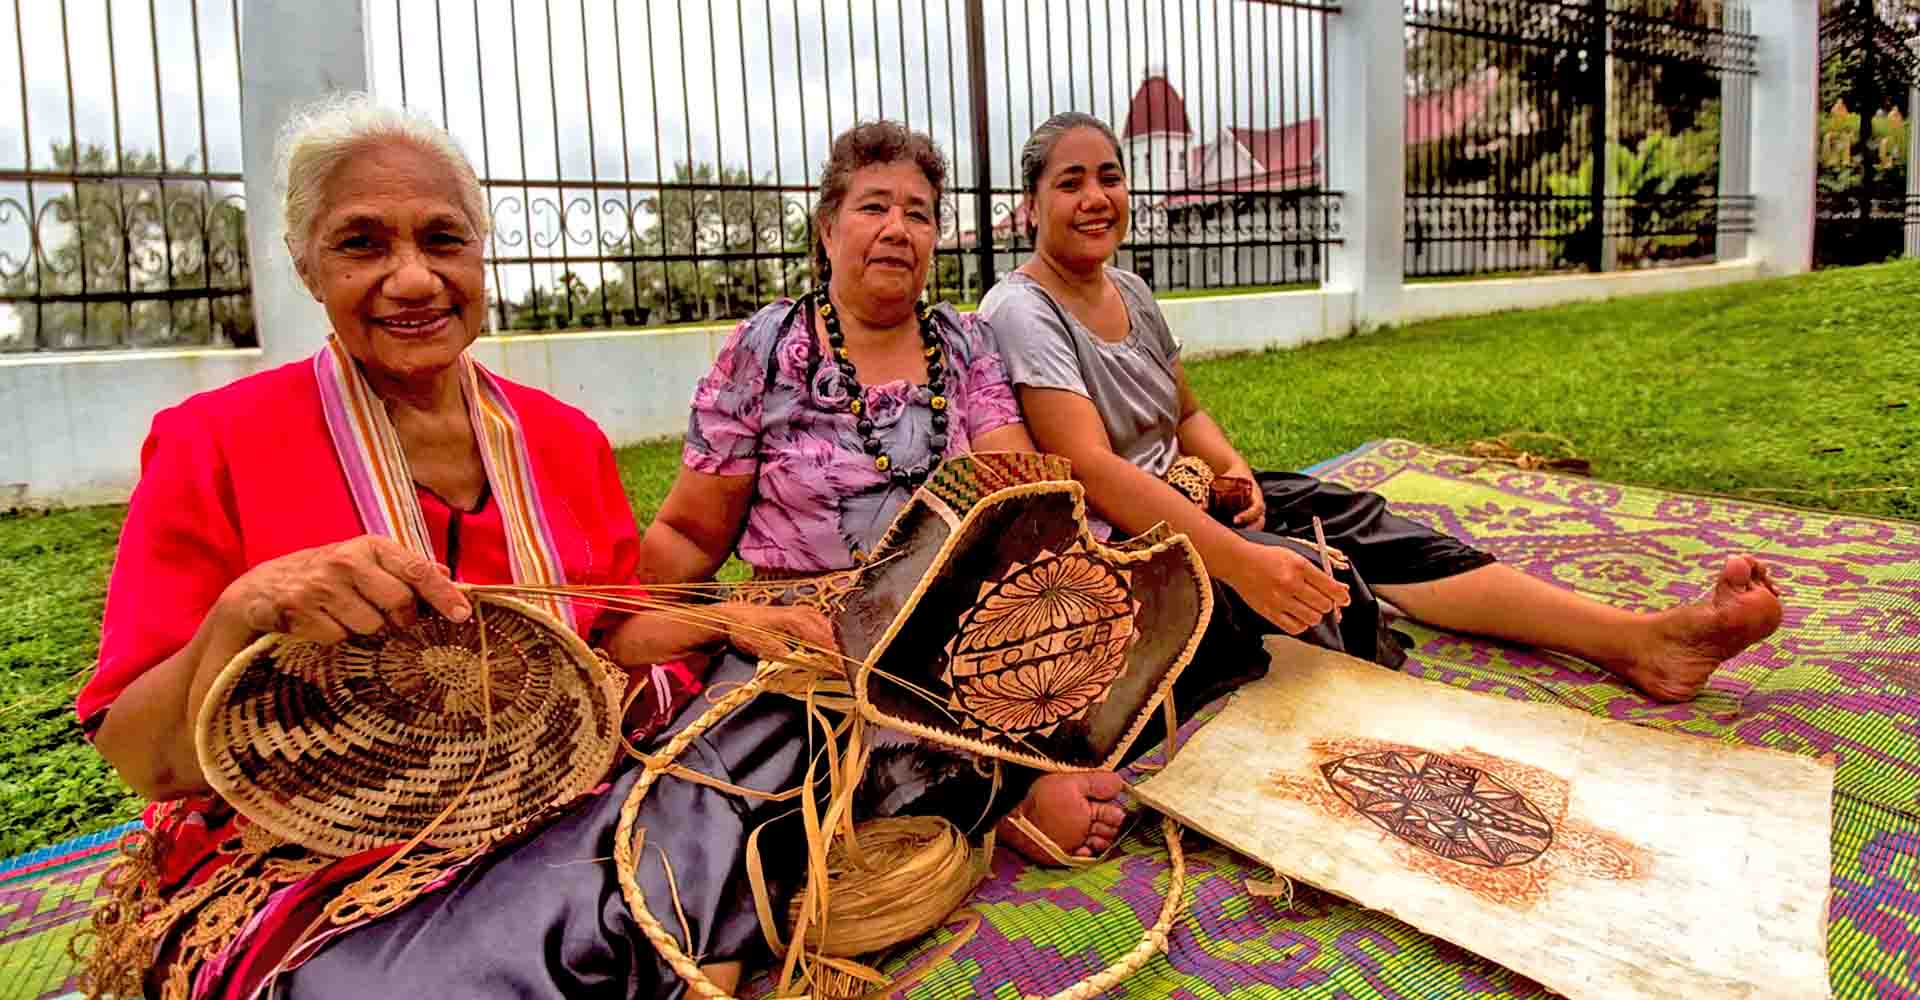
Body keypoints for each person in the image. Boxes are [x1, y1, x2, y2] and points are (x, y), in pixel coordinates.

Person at [78, 94, 826, 1000]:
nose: (413, 279)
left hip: (559, 794)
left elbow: (597, 641)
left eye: (442, 240)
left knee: (777, 706)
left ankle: (620, 929)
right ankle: (668, 927)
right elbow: (136, 754)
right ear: (305, 266)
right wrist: (245, 609)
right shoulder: (214, 443)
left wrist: (733, 620)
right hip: (337, 858)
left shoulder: (562, 439)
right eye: (362, 244)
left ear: (480, 252)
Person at [976, 112, 1785, 726]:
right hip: (1135, 541)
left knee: (1374, 526)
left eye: (1109, 177)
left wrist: (1234, 470)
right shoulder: (1023, 308)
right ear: (1032, 203)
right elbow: (1091, 468)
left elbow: (1190, 411)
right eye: (1071, 182)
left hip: (1195, 504)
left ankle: (1632, 639)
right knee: (1321, 589)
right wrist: (1237, 559)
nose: (1096, 198)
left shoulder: (1134, 291)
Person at [640, 119, 1129, 868]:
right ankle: (989, 805)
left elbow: (1017, 495)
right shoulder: (764, 352)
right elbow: (690, 535)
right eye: (874, 207)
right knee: (750, 795)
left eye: (919, 212)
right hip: (805, 645)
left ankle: (996, 785)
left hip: (949, 636)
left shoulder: (965, 348)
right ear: (829, 228)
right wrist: (618, 617)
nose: (897, 228)